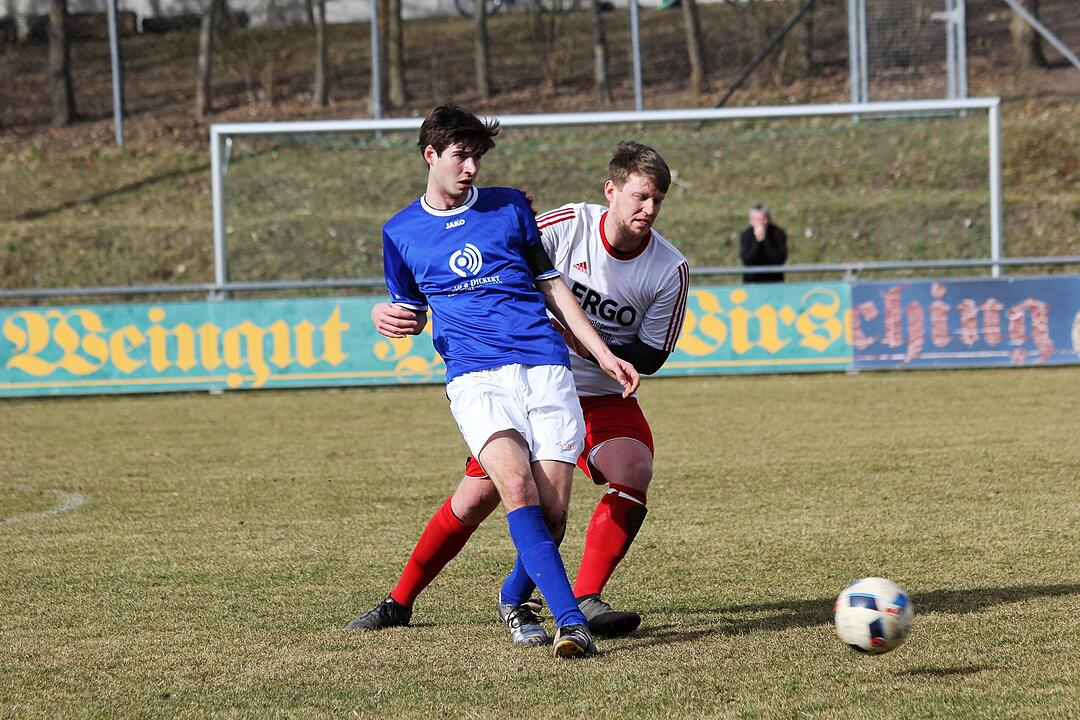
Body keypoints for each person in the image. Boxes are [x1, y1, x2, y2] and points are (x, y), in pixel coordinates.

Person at [349, 140, 689, 648]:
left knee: (628, 473)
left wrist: (594, 346)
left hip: (599, 390)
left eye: (658, 200)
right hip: (526, 375)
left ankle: (582, 600)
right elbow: (501, 252)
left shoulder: (668, 268)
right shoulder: (566, 225)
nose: (650, 209)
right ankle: (400, 600)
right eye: (641, 197)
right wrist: (388, 312)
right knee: (476, 500)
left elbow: (653, 356)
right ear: (611, 191)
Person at [739, 204, 787, 283]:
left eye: (763, 219)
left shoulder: (778, 233)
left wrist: (765, 239)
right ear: (751, 221)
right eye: (756, 220)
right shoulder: (746, 235)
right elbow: (747, 260)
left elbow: (779, 259)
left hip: (774, 280)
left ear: (769, 219)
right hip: (752, 281)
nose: (760, 223)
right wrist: (757, 242)